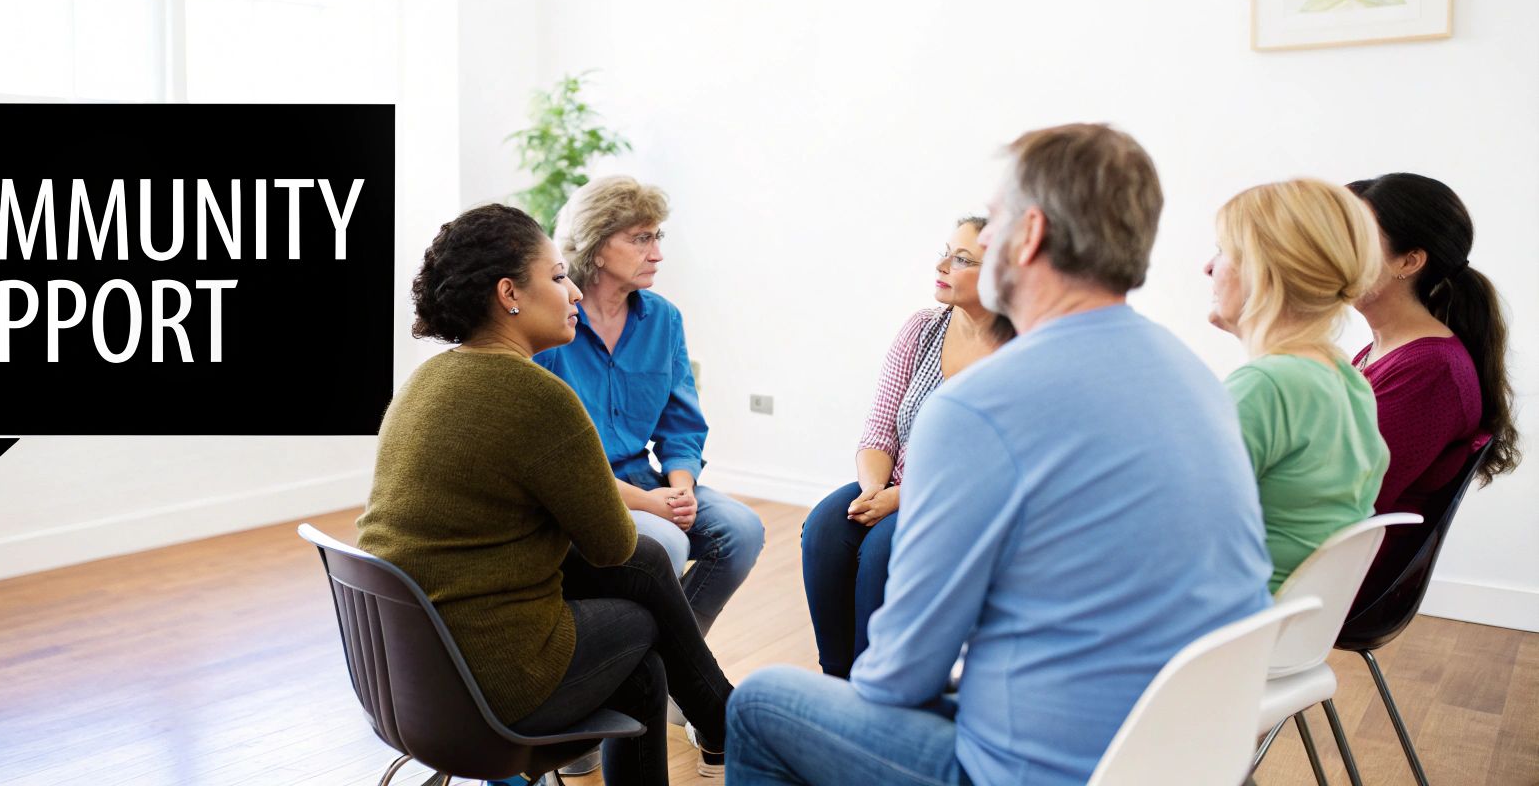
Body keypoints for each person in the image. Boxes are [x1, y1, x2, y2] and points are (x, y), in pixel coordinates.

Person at [726, 124, 1272, 786]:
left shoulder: (983, 404)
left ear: (1031, 233)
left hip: (1037, 773)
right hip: (1190, 761)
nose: (983, 239)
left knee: (759, 703)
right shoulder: (1195, 379)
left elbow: (899, 676)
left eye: (996, 220)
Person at [357, 204, 733, 783]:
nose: (575, 292)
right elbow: (611, 546)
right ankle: (727, 722)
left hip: (400, 679)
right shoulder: (537, 395)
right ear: (510, 293)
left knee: (642, 632)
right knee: (642, 609)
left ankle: (723, 718)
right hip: (491, 681)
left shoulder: (425, 381)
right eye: (558, 278)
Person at [535, 175, 766, 636]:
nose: (657, 252)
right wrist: (652, 505)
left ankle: (675, 657)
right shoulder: (554, 323)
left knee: (742, 530)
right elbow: (553, 461)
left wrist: (681, 488)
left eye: (657, 236)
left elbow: (681, 425)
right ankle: (662, 667)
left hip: (646, 478)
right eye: (641, 238)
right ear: (597, 247)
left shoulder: (663, 318)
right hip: (584, 491)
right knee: (663, 545)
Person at [800, 216, 1013, 678]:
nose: (941, 264)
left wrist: (902, 498)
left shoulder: (1017, 352)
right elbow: (880, 428)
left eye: (961, 259)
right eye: (945, 251)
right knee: (823, 527)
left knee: (883, 549)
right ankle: (834, 681)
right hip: (891, 485)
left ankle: (870, 686)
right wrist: (875, 488)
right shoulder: (922, 328)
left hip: (962, 501)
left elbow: (990, 466)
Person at [1205, 179, 1390, 592]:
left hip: (1224, 627)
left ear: (1263, 269)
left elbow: (1178, 528)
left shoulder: (1266, 387)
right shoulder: (1346, 378)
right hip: (1284, 627)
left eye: (1222, 251)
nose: (1208, 268)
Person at [1347, 173, 1521, 599]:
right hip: (1324, 558)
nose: (1329, 251)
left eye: (1354, 237)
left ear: (1408, 262)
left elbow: (1348, 498)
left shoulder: (1429, 370)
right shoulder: (1384, 352)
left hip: (1339, 578)